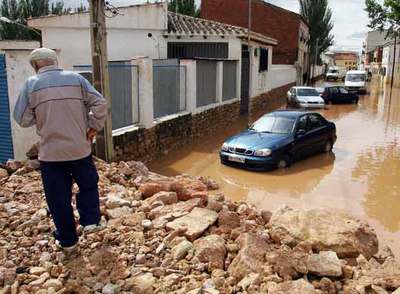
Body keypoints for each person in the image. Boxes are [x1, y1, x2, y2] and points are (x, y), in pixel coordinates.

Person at [13, 48, 107, 251]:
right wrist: (93, 126)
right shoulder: (76, 78)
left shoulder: (31, 84)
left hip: (51, 154)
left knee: (58, 198)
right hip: (80, 148)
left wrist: (40, 115)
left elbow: (22, 119)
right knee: (88, 184)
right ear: (55, 61)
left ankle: (68, 241)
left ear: (35, 66)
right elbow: (100, 103)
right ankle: (90, 221)